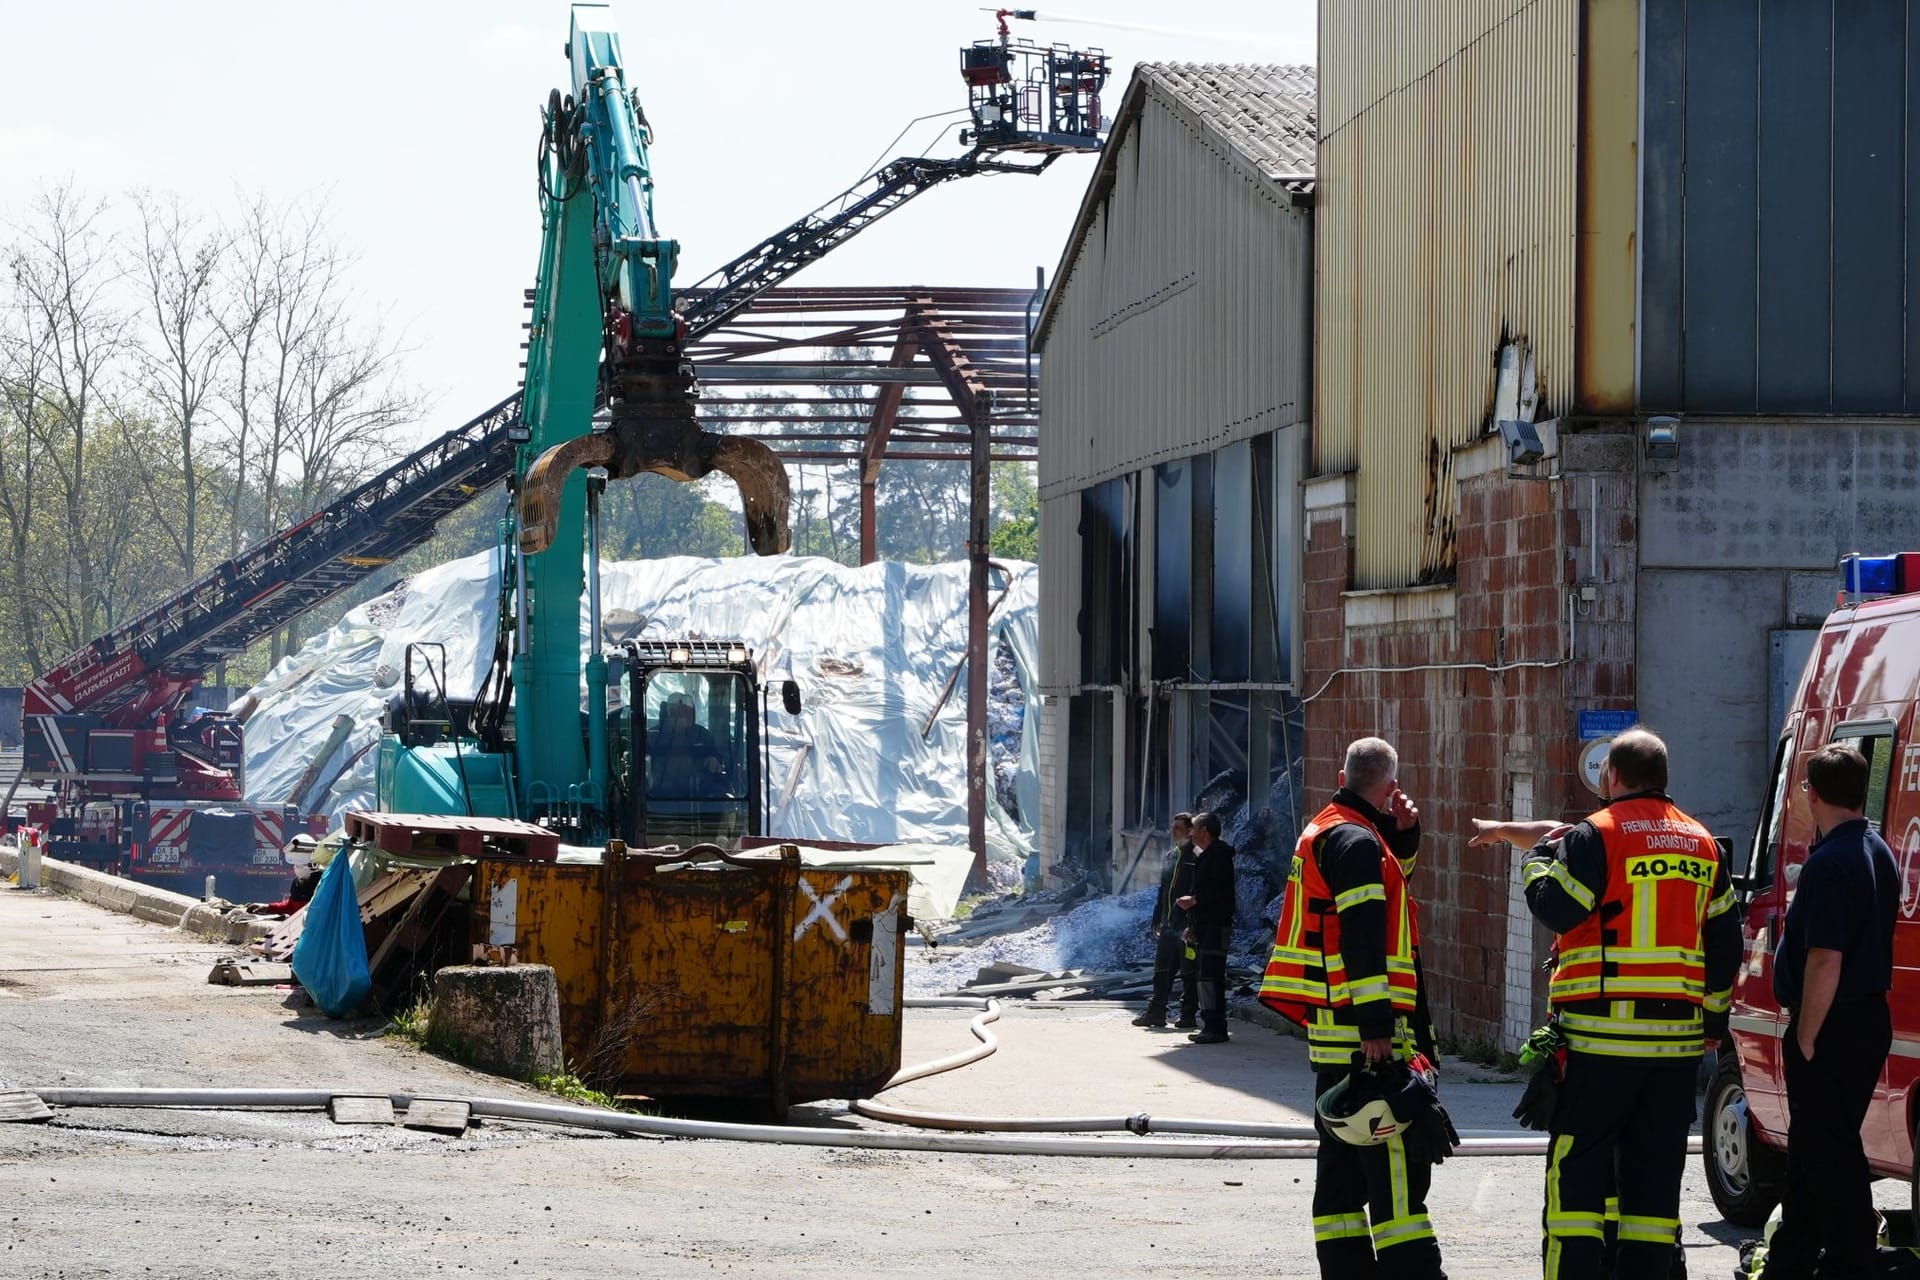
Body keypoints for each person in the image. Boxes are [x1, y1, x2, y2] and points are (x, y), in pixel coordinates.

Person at [1475, 728, 1739, 1280]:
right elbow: (1725, 944)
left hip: (1600, 1043)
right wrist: (1712, 1021)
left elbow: (1559, 909)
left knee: (1577, 1182)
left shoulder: (1599, 834)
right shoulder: (1703, 842)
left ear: (1612, 777)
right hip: (1675, 1050)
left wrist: (1536, 863)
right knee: (1652, 1193)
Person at [1260, 736, 1444, 1280]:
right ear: (1389, 787)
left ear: (1344, 777)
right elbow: (1361, 936)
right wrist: (1377, 1028)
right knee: (1394, 1170)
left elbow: (1384, 881)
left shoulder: (1335, 828)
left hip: (1334, 1027)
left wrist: (1402, 835)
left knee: (1340, 1171)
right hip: (1365, 1034)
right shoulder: (1355, 841)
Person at [1759, 743, 1896, 1280]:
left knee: (1828, 1147)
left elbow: (1825, 959)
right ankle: (1794, 1253)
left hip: (1833, 1023)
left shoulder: (1830, 862)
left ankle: (1850, 1258)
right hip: (1862, 1020)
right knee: (1813, 1144)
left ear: (1811, 793)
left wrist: (1808, 1036)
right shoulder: (1874, 847)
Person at [1133, 812, 1198, 1029]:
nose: (1174, 832)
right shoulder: (1171, 855)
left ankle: (1188, 1014)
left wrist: (1193, 924)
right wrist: (1157, 917)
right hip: (1168, 924)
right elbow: (1163, 891)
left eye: (1178, 828)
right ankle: (1157, 1012)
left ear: (1191, 831)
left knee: (1189, 973)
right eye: (1173, 828)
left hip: (1187, 925)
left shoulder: (1196, 858)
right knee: (1161, 971)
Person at [1177, 810, 1236, 1044]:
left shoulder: (1219, 856)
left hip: (1216, 925)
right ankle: (1210, 1024)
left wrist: (1195, 901)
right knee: (1205, 977)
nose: (1190, 833)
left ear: (1204, 831)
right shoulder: (1206, 855)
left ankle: (1215, 1027)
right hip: (1204, 925)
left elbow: (1220, 893)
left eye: (1194, 828)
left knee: (1211, 977)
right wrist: (1192, 923)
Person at [650, 695, 724, 796]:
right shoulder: (653, 735)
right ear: (668, 713)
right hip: (659, 795)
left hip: (697, 793)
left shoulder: (703, 735)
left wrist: (714, 759)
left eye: (687, 713)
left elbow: (716, 756)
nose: (683, 718)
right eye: (677, 713)